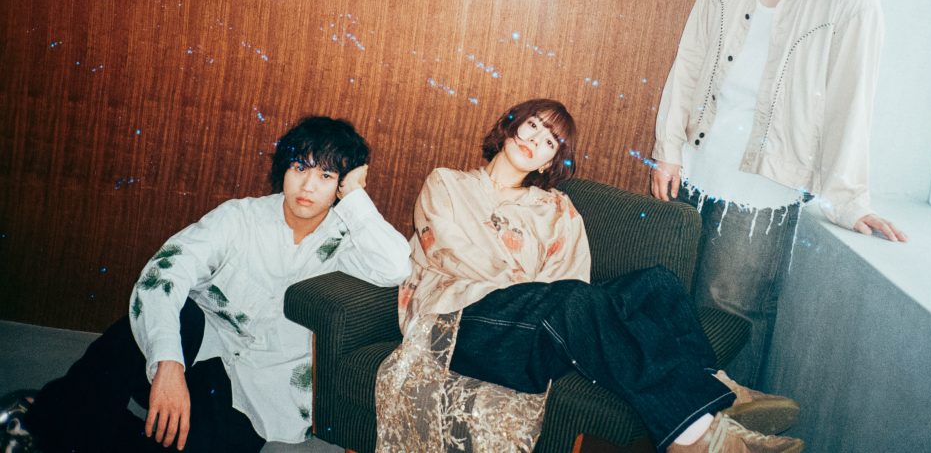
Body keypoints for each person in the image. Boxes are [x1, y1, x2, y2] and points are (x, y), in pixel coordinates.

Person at [376, 98, 804, 453]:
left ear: (551, 160)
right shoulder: (447, 184)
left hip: (534, 329)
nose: (535, 140)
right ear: (510, 126)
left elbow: (571, 280)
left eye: (549, 141)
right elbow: (449, 251)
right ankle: (697, 436)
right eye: (532, 126)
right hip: (459, 324)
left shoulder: (557, 210)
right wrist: (535, 294)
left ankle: (712, 389)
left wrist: (544, 300)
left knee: (658, 284)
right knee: (574, 301)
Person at [649, 0, 908, 386]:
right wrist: (668, 151)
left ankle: (730, 426)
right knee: (672, 307)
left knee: (731, 319)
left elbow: (850, 101)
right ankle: (675, 423)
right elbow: (688, 63)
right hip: (695, 169)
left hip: (763, 192)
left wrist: (848, 199)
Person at [1, 116, 411, 453]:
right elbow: (164, 274)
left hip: (257, 392)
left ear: (341, 185)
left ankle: (56, 415)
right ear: (284, 168)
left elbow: (395, 266)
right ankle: (43, 419)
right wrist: (168, 363)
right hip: (198, 347)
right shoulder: (239, 218)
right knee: (152, 326)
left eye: (326, 175)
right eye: (300, 167)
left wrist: (355, 195)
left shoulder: (347, 239)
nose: (307, 186)